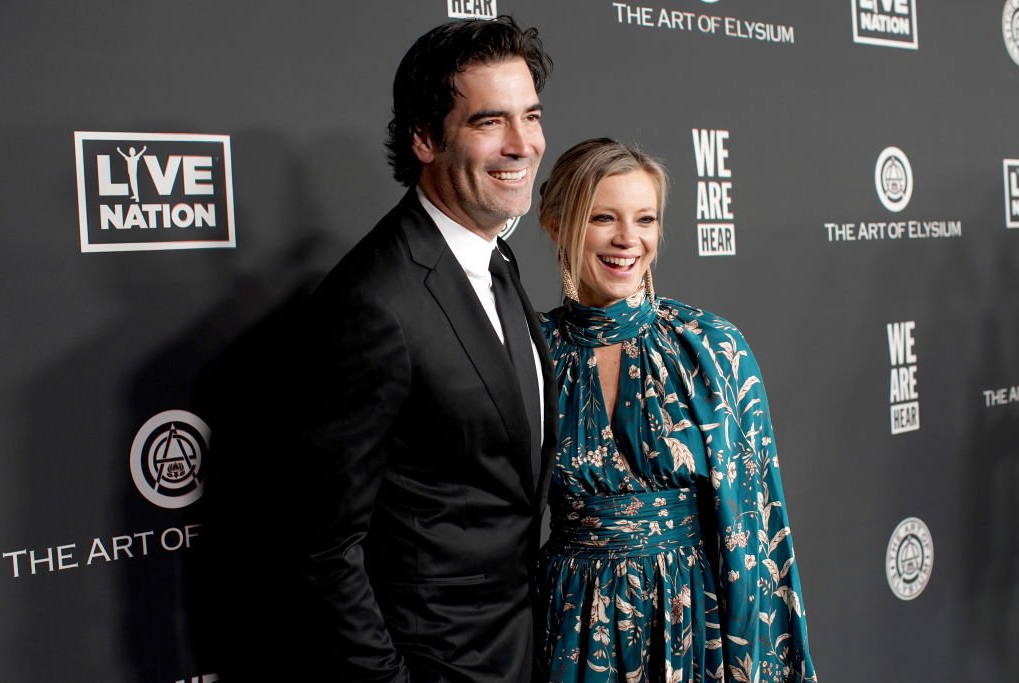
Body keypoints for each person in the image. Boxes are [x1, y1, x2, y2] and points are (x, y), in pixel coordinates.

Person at [293, 16, 557, 683]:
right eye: (490, 122)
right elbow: (324, 547)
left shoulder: (495, 255)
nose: (523, 145)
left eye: (531, 116)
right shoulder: (374, 301)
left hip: (520, 649)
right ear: (423, 138)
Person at [534, 139, 817, 683]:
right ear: (555, 223)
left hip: (689, 621)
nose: (627, 239)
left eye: (646, 219)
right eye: (602, 217)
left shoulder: (709, 348)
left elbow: (758, 527)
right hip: (567, 620)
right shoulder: (532, 352)